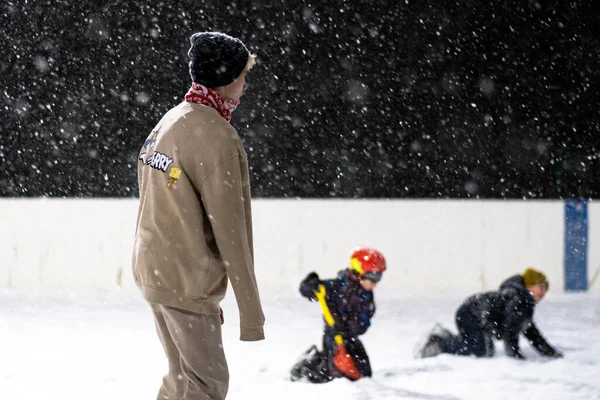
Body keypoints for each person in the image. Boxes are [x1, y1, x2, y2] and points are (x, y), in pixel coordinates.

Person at [132, 32, 265, 400]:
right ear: (224, 80)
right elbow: (232, 232)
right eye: (241, 75)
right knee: (206, 384)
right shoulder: (216, 135)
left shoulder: (171, 120)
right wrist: (251, 315)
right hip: (183, 278)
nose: (245, 83)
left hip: (156, 270)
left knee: (181, 380)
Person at [416, 268, 562, 360]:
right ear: (530, 286)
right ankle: (439, 343)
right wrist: (515, 357)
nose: (543, 293)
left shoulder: (523, 301)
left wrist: (549, 352)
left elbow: (530, 332)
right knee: (481, 350)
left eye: (546, 289)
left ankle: (446, 337)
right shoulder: (519, 299)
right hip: (470, 314)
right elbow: (510, 329)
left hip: (472, 314)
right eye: (541, 288)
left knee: (487, 349)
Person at [290, 247, 387, 383]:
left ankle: (319, 360)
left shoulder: (366, 296)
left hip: (350, 339)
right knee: (332, 374)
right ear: (358, 271)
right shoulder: (337, 286)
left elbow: (364, 322)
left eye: (379, 278)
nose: (375, 284)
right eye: (373, 278)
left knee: (364, 375)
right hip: (332, 337)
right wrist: (309, 285)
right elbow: (310, 291)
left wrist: (348, 327)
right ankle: (306, 366)